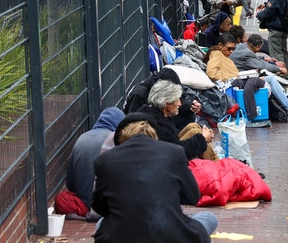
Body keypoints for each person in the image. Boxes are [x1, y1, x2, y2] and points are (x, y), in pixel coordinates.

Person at [92, 112, 217, 243]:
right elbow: (192, 196)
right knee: (209, 218)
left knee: (102, 223)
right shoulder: (174, 152)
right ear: (154, 135)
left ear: (122, 136)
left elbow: (99, 207)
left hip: (123, 236)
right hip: (170, 234)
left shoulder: (105, 160)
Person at [231, 33, 288, 119]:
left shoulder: (241, 47)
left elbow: (254, 59)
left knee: (271, 78)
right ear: (258, 48)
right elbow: (261, 65)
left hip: (239, 76)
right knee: (271, 79)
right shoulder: (247, 54)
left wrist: (265, 59)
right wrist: (279, 69)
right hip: (241, 79)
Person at [136, 80, 217, 160]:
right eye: (177, 100)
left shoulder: (154, 111)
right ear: (167, 103)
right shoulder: (157, 125)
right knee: (196, 134)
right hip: (160, 160)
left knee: (193, 126)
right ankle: (216, 164)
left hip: (163, 151)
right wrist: (203, 138)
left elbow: (173, 137)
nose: (180, 104)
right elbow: (177, 151)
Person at [66, 107, 124, 213]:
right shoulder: (114, 139)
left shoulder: (82, 138)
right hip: (106, 205)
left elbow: (70, 184)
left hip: (83, 203)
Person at [256, 0, 288, 77]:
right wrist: (267, 5)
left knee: (276, 53)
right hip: (284, 28)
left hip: (276, 29)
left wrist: (259, 13)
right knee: (283, 52)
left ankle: (281, 75)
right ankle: (286, 73)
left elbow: (268, 13)